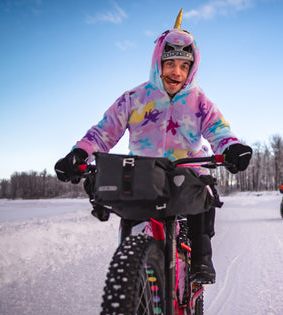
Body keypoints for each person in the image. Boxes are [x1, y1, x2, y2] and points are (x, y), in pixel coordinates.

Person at [54, 10, 252, 284]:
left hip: (187, 170)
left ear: (192, 69)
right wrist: (79, 153)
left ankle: (200, 258)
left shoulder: (199, 101)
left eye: (185, 66)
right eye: (170, 63)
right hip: (143, 174)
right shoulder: (134, 99)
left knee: (201, 189)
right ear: (157, 62)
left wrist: (232, 147)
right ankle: (133, 281)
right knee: (131, 217)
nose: (177, 72)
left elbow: (219, 130)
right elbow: (103, 132)